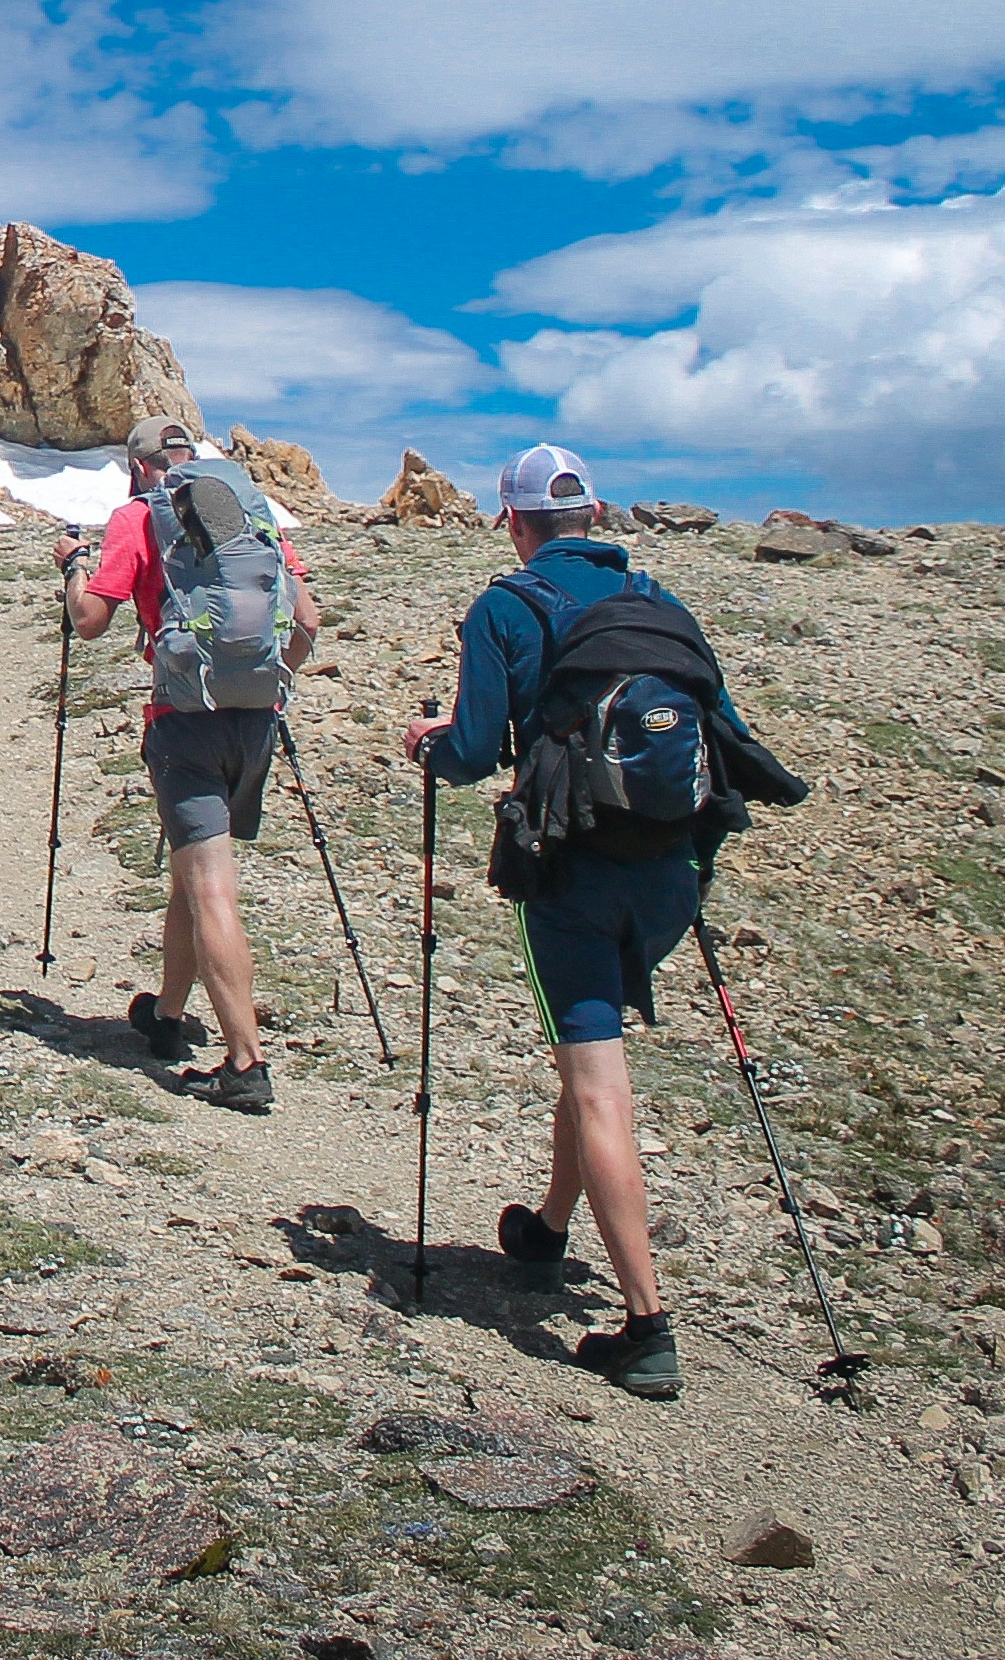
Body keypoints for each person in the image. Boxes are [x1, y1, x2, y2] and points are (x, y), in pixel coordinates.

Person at [398, 442, 705, 1400]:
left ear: (513, 523)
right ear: (597, 518)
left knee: (596, 1073)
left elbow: (479, 751)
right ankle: (549, 1225)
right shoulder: (661, 607)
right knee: (593, 1051)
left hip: (572, 868)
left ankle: (646, 1323)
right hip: (669, 870)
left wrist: (430, 747)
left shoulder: (505, 607)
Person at [68, 416, 320, 1113]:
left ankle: (245, 1061)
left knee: (210, 887)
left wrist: (73, 566)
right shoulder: (249, 513)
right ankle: (168, 1013)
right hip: (257, 722)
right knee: (192, 870)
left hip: (185, 722)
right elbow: (308, 621)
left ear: (137, 467)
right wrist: (270, 686)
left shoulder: (140, 517)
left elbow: (91, 620)